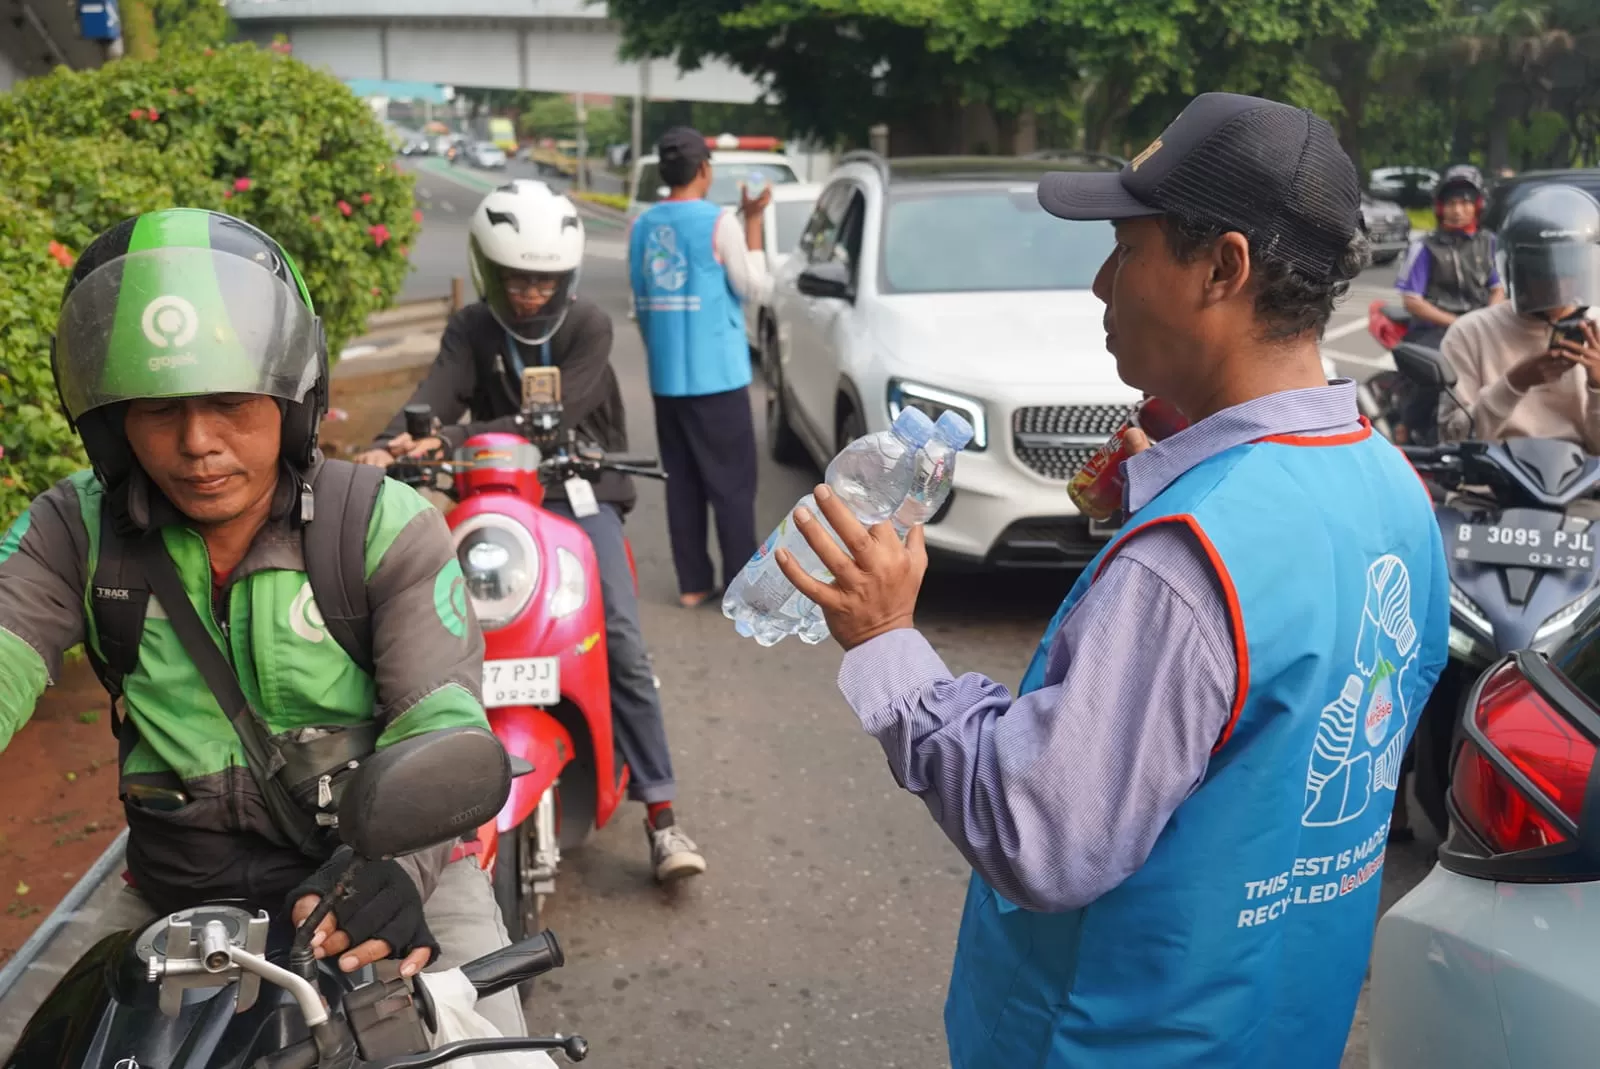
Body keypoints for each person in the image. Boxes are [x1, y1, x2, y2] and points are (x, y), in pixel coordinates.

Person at [775, 93, 1450, 1068]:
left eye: (1126, 249)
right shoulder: (1389, 488)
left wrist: (887, 645)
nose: (1099, 284)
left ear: (1222, 267)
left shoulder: (1184, 566)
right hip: (1280, 1025)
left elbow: (1041, 833)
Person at [0, 209, 525, 1037]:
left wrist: (397, 862)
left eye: (231, 401)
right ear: (111, 425)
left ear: (292, 396)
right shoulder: (75, 529)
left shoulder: (380, 527)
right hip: (174, 893)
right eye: (156, 408)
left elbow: (443, 721)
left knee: (496, 1060)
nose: (197, 443)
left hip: (379, 881)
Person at [356, 180, 706, 881]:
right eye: (517, 278)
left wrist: (449, 435)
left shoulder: (589, 327)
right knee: (417, 625)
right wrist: (387, 444)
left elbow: (548, 420)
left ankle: (663, 815)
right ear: (489, 269)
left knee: (622, 637)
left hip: (578, 497)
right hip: (490, 498)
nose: (530, 293)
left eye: (545, 280)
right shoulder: (472, 328)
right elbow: (433, 396)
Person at [629, 126, 772, 608]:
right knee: (731, 484)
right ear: (704, 170)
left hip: (667, 378)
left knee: (683, 482)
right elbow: (754, 287)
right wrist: (753, 223)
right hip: (719, 379)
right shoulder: (719, 223)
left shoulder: (643, 226)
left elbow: (642, 303)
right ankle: (740, 587)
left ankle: (693, 584)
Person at [1437, 184, 1600, 451]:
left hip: (1580, 482)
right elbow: (1453, 440)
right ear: (1516, 272)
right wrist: (1515, 383)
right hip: (1492, 483)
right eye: (1544, 271)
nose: (1561, 283)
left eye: (1573, 269)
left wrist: (1597, 387)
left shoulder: (1597, 327)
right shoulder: (1469, 333)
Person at [1391, 164, 1506, 443]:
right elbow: (1412, 301)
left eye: (1465, 203)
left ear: (1477, 206)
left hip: (1477, 324)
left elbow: (1498, 287)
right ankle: (1406, 426)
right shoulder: (1426, 247)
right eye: (1452, 203)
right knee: (1436, 373)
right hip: (1435, 327)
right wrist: (1458, 323)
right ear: (1441, 207)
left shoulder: (1489, 243)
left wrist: (1487, 320)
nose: (1458, 210)